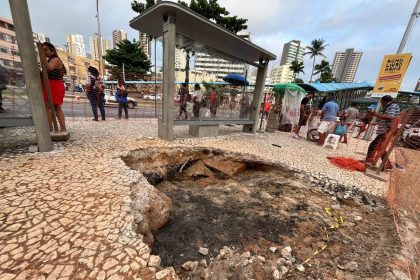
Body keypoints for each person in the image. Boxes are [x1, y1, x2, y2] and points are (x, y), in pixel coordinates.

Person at [365, 95, 400, 170]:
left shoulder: (392, 106)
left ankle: (369, 161)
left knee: (373, 145)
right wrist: (377, 123)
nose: (381, 103)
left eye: (382, 102)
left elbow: (390, 117)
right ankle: (388, 165)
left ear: (385, 101)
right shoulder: (390, 106)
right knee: (381, 147)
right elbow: (388, 118)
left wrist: (375, 114)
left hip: (386, 130)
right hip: (386, 130)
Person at [40, 42, 67, 132]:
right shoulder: (53, 59)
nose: (44, 51)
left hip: (53, 85)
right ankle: (61, 128)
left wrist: (42, 54)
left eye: (46, 49)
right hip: (54, 85)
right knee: (56, 108)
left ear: (52, 51)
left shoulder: (55, 60)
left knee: (49, 108)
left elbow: (49, 68)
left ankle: (51, 129)